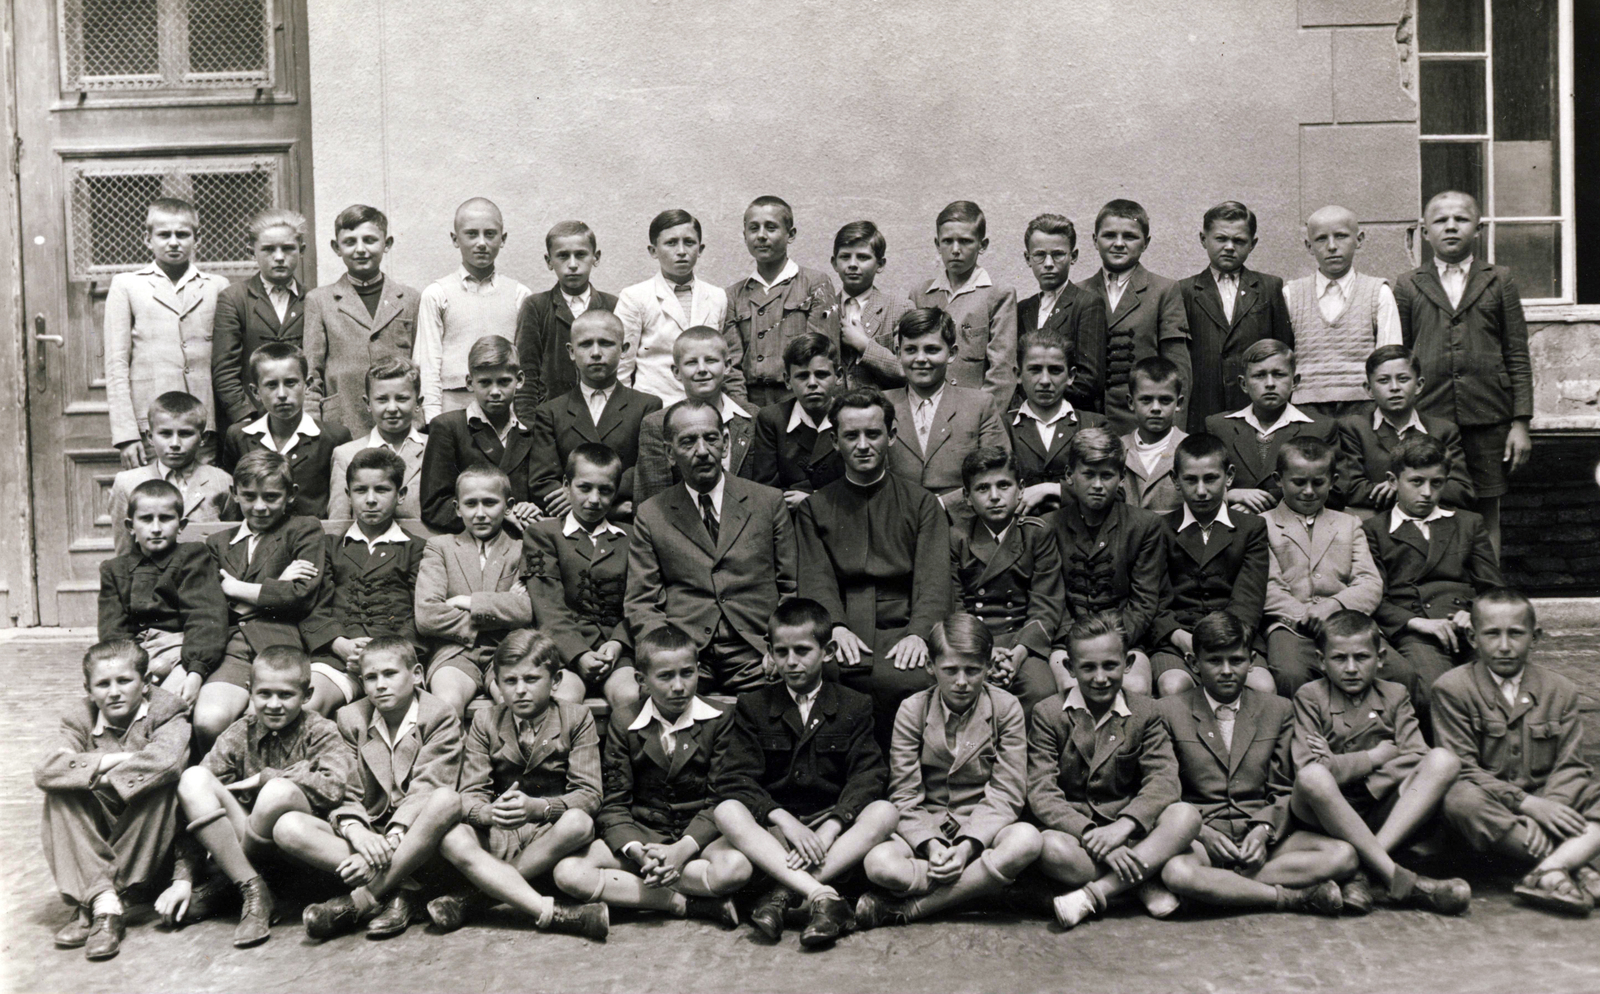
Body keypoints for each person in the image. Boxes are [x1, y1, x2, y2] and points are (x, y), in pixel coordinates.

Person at [712, 598, 898, 946]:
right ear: (769, 652)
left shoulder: (854, 704)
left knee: (884, 811)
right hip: (779, 837)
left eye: (802, 650)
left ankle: (782, 894)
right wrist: (784, 820)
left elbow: (868, 776)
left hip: (833, 836)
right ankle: (822, 896)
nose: (791, 661)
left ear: (827, 651)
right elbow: (734, 778)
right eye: (781, 652)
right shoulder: (754, 706)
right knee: (726, 810)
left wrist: (831, 826)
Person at [550, 626, 751, 928]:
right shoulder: (625, 719)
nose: (679, 686)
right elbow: (614, 803)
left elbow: (720, 798)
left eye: (687, 673)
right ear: (642, 681)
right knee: (568, 872)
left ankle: (634, 891)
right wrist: (638, 853)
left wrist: (680, 851)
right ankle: (681, 902)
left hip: (696, 839)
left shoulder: (719, 718)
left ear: (699, 671)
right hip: (643, 835)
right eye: (666, 676)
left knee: (736, 867)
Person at [1157, 612, 1354, 916]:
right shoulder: (1168, 711)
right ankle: (1288, 898)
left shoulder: (1279, 710)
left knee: (1343, 855)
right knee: (1176, 871)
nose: (1226, 671)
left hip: (1262, 839)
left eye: (1236, 661)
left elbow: (1285, 787)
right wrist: (1202, 833)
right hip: (1202, 838)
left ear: (1251, 661)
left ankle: (1221, 889)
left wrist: (1263, 829)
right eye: (1214, 661)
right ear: (1194, 664)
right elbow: (1164, 790)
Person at [853, 615, 1042, 929]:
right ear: (930, 667)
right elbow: (903, 793)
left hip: (985, 832)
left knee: (1027, 840)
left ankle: (912, 910)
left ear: (988, 667)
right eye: (950, 670)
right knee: (878, 863)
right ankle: (982, 887)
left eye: (973, 670)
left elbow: (1007, 794)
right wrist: (933, 846)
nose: (962, 682)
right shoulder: (913, 709)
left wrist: (968, 846)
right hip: (930, 827)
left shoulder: (1005, 709)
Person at [427, 630, 610, 939]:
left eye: (531, 679)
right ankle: (550, 911)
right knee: (452, 837)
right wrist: (488, 814)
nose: (520, 691)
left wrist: (539, 807)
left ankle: (477, 897)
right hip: (502, 830)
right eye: (510, 682)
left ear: (555, 681)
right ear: (497, 684)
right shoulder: (486, 721)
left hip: (549, 832)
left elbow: (590, 795)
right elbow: (470, 793)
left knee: (579, 823)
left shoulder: (576, 717)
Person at [279, 637, 465, 939]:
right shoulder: (351, 718)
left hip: (417, 835)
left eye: (390, 674)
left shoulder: (439, 715)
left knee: (446, 800)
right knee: (288, 827)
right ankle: (400, 891)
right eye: (371, 678)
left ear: (416, 674)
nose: (380, 685)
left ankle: (361, 899)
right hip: (370, 833)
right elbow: (343, 788)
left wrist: (389, 845)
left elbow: (428, 787)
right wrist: (357, 832)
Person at [1290, 610, 1471, 915]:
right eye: (1339, 659)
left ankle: (1365, 869)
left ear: (1381, 658)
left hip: (1377, 803)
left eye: (1361, 657)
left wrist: (1345, 768)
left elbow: (1416, 754)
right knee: (1313, 778)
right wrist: (1373, 757)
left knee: (1444, 760)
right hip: (1325, 811)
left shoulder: (1394, 694)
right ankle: (1401, 881)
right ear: (1322, 661)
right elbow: (1309, 766)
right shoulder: (1310, 696)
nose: (1351, 668)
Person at [1028, 611, 1200, 929]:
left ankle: (1096, 892)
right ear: (1069, 668)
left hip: (1133, 836)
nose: (1100, 677)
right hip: (1081, 838)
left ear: (1128, 663)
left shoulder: (1146, 711)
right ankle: (1141, 880)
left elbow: (1163, 778)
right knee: (1049, 848)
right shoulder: (1048, 713)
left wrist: (1123, 827)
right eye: (1088, 667)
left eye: (1110, 665)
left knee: (1185, 816)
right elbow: (1042, 791)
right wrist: (1092, 836)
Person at [1434, 589, 1600, 916]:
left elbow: (1571, 766)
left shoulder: (1560, 689)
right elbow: (1463, 768)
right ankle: (1576, 864)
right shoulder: (1451, 688)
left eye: (1516, 634)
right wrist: (1526, 804)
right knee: (1458, 799)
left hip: (1548, 801)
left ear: (1535, 636)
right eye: (1493, 634)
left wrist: (1550, 807)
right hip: (1492, 807)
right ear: (1472, 636)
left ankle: (1547, 871)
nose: (1505, 646)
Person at [796, 388, 951, 736]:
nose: (863, 445)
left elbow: (935, 579)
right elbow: (816, 578)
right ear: (835, 441)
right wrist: (834, 627)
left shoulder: (922, 503)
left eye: (873, 434)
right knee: (831, 675)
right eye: (851, 435)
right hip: (844, 623)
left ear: (892, 436)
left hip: (904, 624)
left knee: (908, 679)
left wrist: (919, 635)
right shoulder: (816, 507)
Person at [177, 646, 353, 947]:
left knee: (276, 791)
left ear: (307, 695)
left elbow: (334, 787)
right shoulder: (238, 733)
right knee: (193, 779)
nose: (273, 704)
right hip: (249, 837)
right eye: (264, 694)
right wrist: (182, 877)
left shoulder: (321, 730)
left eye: (285, 695)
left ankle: (230, 881)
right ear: (250, 692)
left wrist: (267, 777)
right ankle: (253, 888)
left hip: (297, 846)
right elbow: (195, 806)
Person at [1392, 190, 1533, 557]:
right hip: (1431, 417)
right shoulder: (1408, 284)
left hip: (1490, 416)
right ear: (1425, 232)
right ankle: (1448, 592)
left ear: (1478, 228)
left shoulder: (1500, 279)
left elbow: (1516, 352)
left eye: (1461, 219)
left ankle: (1489, 599)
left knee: (1487, 509)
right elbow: (1401, 356)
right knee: (1434, 504)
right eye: (1440, 221)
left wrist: (1520, 423)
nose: (1451, 227)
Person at [626, 400, 796, 695]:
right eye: (688, 441)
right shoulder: (652, 514)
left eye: (711, 438)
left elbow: (791, 587)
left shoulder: (767, 502)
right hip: (685, 654)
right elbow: (641, 601)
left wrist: (782, 648)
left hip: (757, 650)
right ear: (669, 453)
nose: (702, 451)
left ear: (726, 443)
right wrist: (667, 655)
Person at [35, 640, 191, 960]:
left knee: (163, 784)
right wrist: (111, 764)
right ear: (89, 690)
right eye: (103, 684)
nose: (114, 692)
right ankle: (106, 904)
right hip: (102, 830)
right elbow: (46, 770)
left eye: (124, 681)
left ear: (145, 683)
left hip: (151, 843)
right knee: (59, 794)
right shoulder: (80, 715)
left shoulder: (167, 709)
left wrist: (88, 771)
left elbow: (167, 762)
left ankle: (91, 901)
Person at [1362, 434, 1502, 716]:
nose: (1427, 492)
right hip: (1418, 632)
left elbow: (1494, 590)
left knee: (1498, 688)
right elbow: (1374, 596)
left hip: (1468, 627)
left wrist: (1475, 613)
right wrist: (1416, 623)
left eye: (1436, 483)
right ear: (1392, 482)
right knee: (1439, 693)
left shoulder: (1467, 523)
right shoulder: (1374, 531)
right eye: (1416, 482)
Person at [200, 450, 325, 746]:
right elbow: (209, 602)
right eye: (249, 496)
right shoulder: (217, 543)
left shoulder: (303, 530)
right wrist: (277, 585)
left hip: (280, 644)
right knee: (209, 720)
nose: (259, 507)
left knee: (262, 721)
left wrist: (232, 587)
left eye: (271, 497)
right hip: (232, 646)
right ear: (234, 493)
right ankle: (217, 782)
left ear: (290, 495)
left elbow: (301, 597)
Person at [302, 448, 429, 716]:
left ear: (401, 495)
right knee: (309, 704)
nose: (370, 500)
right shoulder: (329, 546)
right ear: (348, 495)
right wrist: (340, 644)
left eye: (382, 490)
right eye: (360, 491)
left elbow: (422, 615)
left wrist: (384, 656)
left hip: (396, 660)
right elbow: (313, 607)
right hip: (340, 659)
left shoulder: (416, 548)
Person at [103, 197, 228, 468]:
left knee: (203, 496)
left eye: (182, 234)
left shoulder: (216, 286)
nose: (173, 242)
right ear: (148, 239)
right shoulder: (127, 285)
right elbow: (116, 364)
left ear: (197, 238)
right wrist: (126, 435)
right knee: (155, 501)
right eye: (164, 235)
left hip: (203, 426)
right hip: (151, 426)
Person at [1148, 433, 1274, 699]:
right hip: (1179, 640)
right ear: (1175, 480)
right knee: (1173, 686)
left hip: (1235, 638)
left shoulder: (1251, 528)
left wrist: (1224, 642)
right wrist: (1179, 637)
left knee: (1263, 687)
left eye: (1211, 479)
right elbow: (1155, 598)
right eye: (1191, 480)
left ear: (1229, 476)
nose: (1202, 490)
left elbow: (1248, 601)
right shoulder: (1158, 529)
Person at [1044, 429, 1167, 697]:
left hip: (1125, 642)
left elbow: (1144, 602)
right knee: (1069, 687)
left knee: (1135, 687)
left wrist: (1114, 643)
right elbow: (1051, 598)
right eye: (1088, 474)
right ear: (1069, 476)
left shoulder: (1144, 526)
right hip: (1066, 642)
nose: (1098, 485)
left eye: (1107, 475)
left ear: (1121, 478)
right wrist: (1074, 642)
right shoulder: (1049, 526)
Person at [1262, 438, 1384, 697]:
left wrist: (1335, 606)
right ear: (1278, 479)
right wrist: (1307, 615)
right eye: (1298, 482)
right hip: (1291, 627)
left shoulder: (1348, 524)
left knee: (1400, 673)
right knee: (1290, 674)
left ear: (1332, 480)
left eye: (1318, 482)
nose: (1308, 491)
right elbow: (1267, 587)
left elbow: (1369, 582)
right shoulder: (1262, 525)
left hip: (1349, 624)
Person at [523, 444, 640, 713]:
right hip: (564, 651)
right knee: (564, 700)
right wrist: (578, 653)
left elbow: (639, 597)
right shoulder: (543, 535)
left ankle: (618, 757)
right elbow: (547, 605)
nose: (595, 499)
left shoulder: (631, 537)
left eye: (605, 490)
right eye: (584, 488)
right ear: (566, 485)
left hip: (617, 652)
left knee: (631, 696)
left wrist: (618, 643)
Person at [950, 447, 1065, 713]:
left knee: (1040, 690)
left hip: (1021, 642)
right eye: (982, 489)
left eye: (1003, 485)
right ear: (967, 497)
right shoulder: (956, 538)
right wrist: (981, 652)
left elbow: (1046, 604)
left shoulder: (1036, 534)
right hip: (971, 643)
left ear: (1020, 489)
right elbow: (954, 604)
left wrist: (1018, 654)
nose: (994, 497)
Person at [415, 467, 532, 718]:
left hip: (509, 649)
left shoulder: (521, 549)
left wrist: (467, 602)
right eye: (471, 504)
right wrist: (501, 613)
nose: (480, 513)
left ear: (508, 506)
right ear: (457, 508)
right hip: (455, 652)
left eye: (490, 503)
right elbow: (427, 615)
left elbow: (527, 610)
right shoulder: (441, 547)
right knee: (447, 703)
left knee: (516, 701)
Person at [98, 479, 227, 705]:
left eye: (166, 518)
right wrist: (125, 669)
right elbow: (112, 629)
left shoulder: (193, 557)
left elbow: (205, 617)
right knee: (114, 706)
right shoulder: (114, 569)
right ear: (130, 526)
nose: (156, 528)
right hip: (132, 653)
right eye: (146, 519)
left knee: (164, 705)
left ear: (181, 524)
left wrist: (196, 670)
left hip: (181, 651)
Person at [527, 310, 662, 519]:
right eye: (586, 344)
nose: (596, 352)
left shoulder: (646, 406)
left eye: (606, 343)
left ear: (624, 349)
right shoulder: (551, 412)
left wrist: (592, 496)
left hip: (625, 526)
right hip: (568, 526)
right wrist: (608, 507)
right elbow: (542, 480)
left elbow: (647, 470)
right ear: (571, 351)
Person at [303, 204, 423, 437]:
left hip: (399, 418)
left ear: (387, 244)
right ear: (336, 248)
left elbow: (421, 363)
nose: (360, 249)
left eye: (369, 240)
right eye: (350, 242)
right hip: (344, 421)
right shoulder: (319, 300)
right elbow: (311, 372)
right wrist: (314, 420)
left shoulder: (410, 299)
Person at [1077, 199, 1191, 435]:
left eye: (1130, 236)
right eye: (1109, 235)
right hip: (1087, 422)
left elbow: (1178, 370)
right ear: (1094, 240)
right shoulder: (1079, 292)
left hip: (1141, 425)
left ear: (1146, 243)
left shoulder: (1164, 290)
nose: (1119, 244)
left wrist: (1173, 435)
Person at [414, 197, 533, 421]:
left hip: (506, 408)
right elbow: (428, 364)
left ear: (503, 238)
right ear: (455, 239)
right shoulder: (437, 294)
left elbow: (526, 363)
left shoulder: (520, 295)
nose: (481, 243)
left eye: (490, 234)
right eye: (471, 234)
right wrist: (432, 420)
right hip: (453, 405)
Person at [1180, 201, 1294, 431]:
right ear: (1203, 239)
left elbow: (1284, 347)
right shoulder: (1185, 290)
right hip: (1204, 405)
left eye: (1239, 241)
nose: (1230, 247)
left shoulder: (1269, 287)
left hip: (1256, 405)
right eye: (1221, 239)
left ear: (1252, 244)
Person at [1282, 205, 1403, 420]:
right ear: (1308, 246)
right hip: (1306, 409)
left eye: (1341, 236)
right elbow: (1282, 359)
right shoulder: (1292, 294)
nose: (1331, 246)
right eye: (1321, 239)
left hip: (1364, 408)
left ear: (1359, 239)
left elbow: (1389, 359)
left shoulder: (1378, 293)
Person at [885, 308, 1010, 508]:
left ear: (951, 353)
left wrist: (941, 506)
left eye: (932, 349)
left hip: (960, 522)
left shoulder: (979, 405)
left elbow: (998, 475)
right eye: (910, 350)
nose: (920, 359)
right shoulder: (881, 405)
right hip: (896, 519)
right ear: (898, 354)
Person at [724, 195, 840, 409]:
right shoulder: (733, 295)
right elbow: (732, 366)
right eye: (753, 228)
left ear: (791, 234)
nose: (761, 236)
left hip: (800, 400)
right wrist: (743, 410)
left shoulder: (815, 284)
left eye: (771, 227)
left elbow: (823, 353)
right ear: (744, 235)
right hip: (751, 403)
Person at [417, 335, 539, 533]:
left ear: (520, 380)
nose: (495, 391)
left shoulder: (531, 431)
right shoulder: (448, 427)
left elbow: (537, 496)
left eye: (504, 381)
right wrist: (503, 515)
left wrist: (531, 509)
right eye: (485, 383)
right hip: (467, 546)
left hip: (520, 543)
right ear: (469, 382)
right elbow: (434, 507)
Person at [1338, 344, 1473, 519]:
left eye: (1403, 379)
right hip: (1376, 523)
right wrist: (1410, 490)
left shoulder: (1442, 430)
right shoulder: (1354, 428)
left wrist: (1397, 488)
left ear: (1419, 385)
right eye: (1384, 380)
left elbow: (1462, 490)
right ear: (1369, 389)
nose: (1394, 387)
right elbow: (1351, 488)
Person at [615, 209, 735, 405]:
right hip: (654, 406)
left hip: (706, 408)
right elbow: (621, 365)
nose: (681, 251)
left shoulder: (716, 296)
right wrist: (628, 413)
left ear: (700, 249)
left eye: (689, 242)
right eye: (671, 243)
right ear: (653, 251)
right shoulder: (635, 297)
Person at [1206, 339, 1339, 514]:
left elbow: (1337, 492)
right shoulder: (1219, 426)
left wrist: (1259, 502)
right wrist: (1229, 494)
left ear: (1295, 381)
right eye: (1259, 375)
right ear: (1244, 384)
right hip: (1234, 525)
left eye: (1278, 374)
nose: (1270, 383)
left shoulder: (1320, 428)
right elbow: (1203, 480)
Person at [221, 342, 352, 518]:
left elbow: (340, 502)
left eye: (290, 383)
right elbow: (236, 504)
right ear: (255, 391)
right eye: (272, 385)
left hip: (313, 538)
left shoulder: (334, 437)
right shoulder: (239, 436)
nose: (282, 394)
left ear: (307, 385)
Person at [908, 201, 1018, 408]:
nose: (955, 250)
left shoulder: (998, 295)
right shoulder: (920, 295)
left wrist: (980, 417)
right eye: (947, 241)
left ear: (982, 245)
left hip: (973, 411)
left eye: (965, 241)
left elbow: (1002, 370)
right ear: (937, 244)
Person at [212, 209, 313, 432]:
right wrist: (246, 417)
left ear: (301, 250)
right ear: (252, 252)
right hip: (252, 419)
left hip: (302, 418)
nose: (279, 257)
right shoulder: (234, 298)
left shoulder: (313, 299)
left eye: (287, 248)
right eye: (268, 249)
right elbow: (225, 369)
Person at [632, 325, 755, 506]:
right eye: (691, 362)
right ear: (676, 372)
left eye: (711, 360)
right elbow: (653, 501)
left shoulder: (754, 418)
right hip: (682, 527)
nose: (702, 369)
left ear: (727, 366)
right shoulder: (657, 424)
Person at [513, 220, 619, 422]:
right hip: (550, 418)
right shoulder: (536, 306)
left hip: (603, 414)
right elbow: (526, 374)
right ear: (549, 260)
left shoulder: (613, 305)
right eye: (563, 256)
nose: (572, 264)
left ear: (595, 257)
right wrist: (529, 427)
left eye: (580, 254)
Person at [106, 391, 233, 557]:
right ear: (150, 437)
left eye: (185, 434)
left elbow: (231, 546)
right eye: (165, 434)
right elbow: (124, 553)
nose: (175, 444)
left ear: (203, 438)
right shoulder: (127, 483)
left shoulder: (221, 481)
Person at [1008, 328, 1105, 515]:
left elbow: (1115, 492)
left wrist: (1052, 490)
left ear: (1071, 376)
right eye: (1035, 370)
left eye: (1055, 370)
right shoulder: (1002, 426)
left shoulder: (1094, 424)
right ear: (1018, 374)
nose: (1045, 380)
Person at [1015, 213, 1106, 411]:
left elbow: (1089, 380)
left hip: (1071, 416)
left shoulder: (1087, 304)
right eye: (1040, 255)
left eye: (1058, 254)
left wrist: (1038, 399)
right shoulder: (1023, 308)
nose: (1048, 263)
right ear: (1027, 258)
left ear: (1073, 257)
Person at [746, 332, 846, 505]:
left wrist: (814, 499)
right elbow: (765, 488)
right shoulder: (772, 419)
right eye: (802, 376)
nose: (812, 383)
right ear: (787, 380)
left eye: (821, 374)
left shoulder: (851, 417)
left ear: (838, 376)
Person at [326, 356, 428, 521]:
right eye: (382, 399)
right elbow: (339, 523)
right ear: (368, 403)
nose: (392, 408)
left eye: (402, 399)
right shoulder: (345, 454)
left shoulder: (434, 448)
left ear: (418, 402)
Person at [831, 220, 907, 391]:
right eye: (845, 256)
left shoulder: (900, 309)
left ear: (880, 264)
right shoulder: (823, 310)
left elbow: (906, 369)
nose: (852, 264)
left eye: (863, 257)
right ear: (834, 263)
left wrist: (863, 344)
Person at [1119, 357, 1188, 515]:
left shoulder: (1190, 448)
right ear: (1131, 402)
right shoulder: (1118, 448)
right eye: (1146, 400)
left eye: (1165, 400)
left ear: (1178, 403)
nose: (1155, 408)